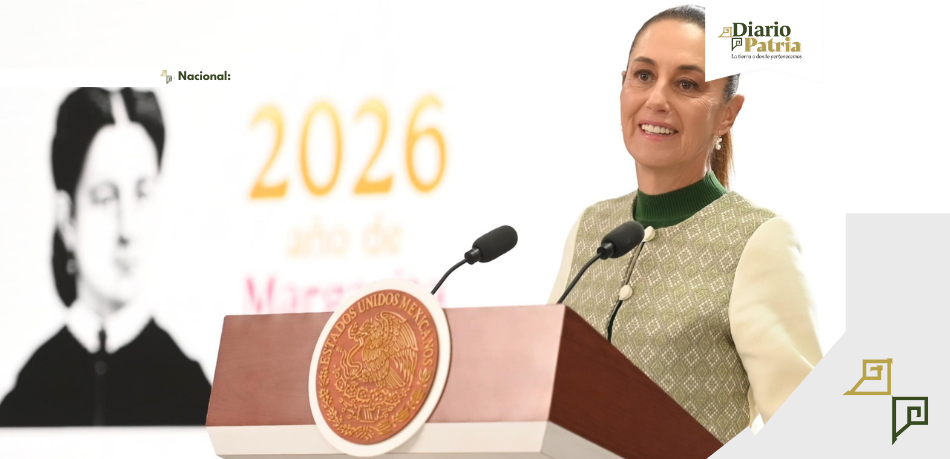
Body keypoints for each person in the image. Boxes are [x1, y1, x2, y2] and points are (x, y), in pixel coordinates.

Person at [548, 5, 822, 444]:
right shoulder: (591, 227)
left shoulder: (756, 240)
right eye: (643, 76)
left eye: (687, 84)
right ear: (622, 85)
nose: (657, 99)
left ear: (728, 113)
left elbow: (809, 432)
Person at [0, 87, 211, 426]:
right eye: (105, 199)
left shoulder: (190, 392)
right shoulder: (31, 393)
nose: (127, 229)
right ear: (67, 218)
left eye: (142, 194)